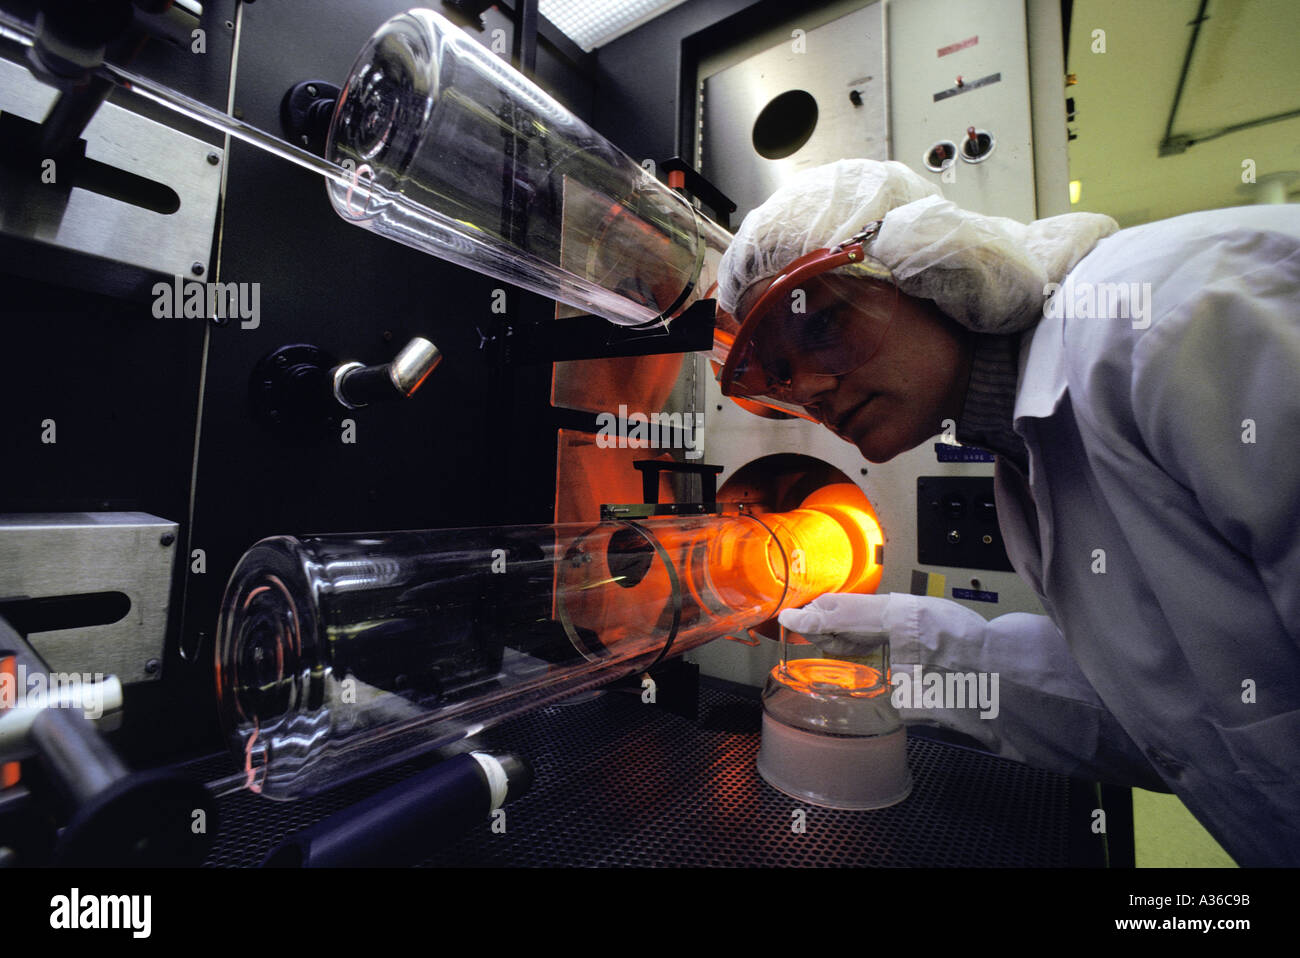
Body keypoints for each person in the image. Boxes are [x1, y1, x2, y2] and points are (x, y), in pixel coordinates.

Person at [712, 158, 1300, 866]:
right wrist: (921, 644)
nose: (811, 391)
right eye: (778, 375)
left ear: (924, 262)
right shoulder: (1024, 460)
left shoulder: (1174, 318)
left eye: (823, 324)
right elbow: (1181, 720)